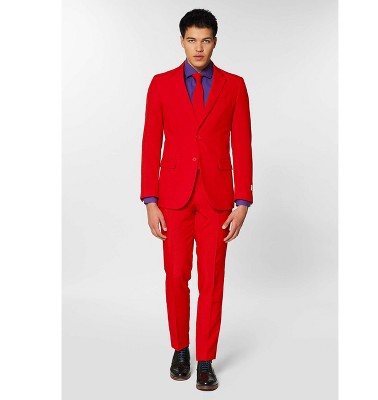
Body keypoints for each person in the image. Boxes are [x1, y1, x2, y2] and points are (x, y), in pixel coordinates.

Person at [140, 8, 253, 391]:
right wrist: (150, 199)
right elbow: (150, 142)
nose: (199, 48)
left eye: (205, 40)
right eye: (192, 40)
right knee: (176, 276)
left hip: (217, 199)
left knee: (212, 281)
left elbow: (242, 144)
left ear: (215, 42)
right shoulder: (161, 84)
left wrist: (242, 201)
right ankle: (180, 349)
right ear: (182, 41)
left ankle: (205, 358)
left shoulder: (234, 85)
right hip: (173, 198)